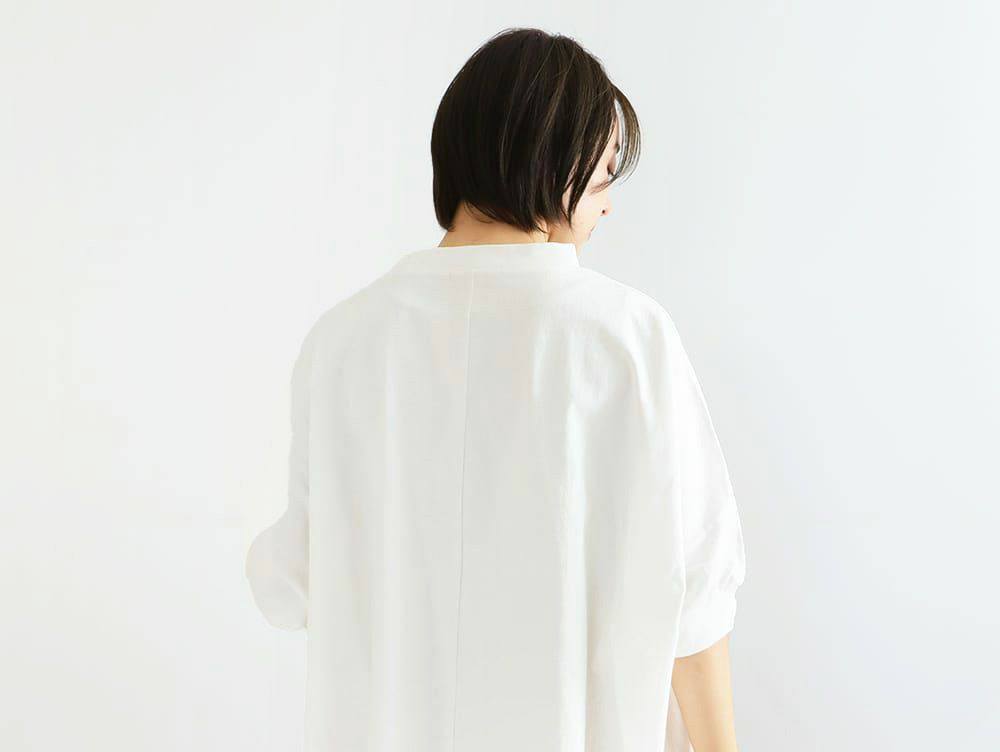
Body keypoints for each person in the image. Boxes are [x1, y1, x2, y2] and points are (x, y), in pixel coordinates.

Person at [245, 27, 747, 752]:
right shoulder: (626, 338)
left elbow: (290, 581)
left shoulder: (342, 342)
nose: (607, 206)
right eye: (604, 177)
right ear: (555, 163)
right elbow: (695, 591)